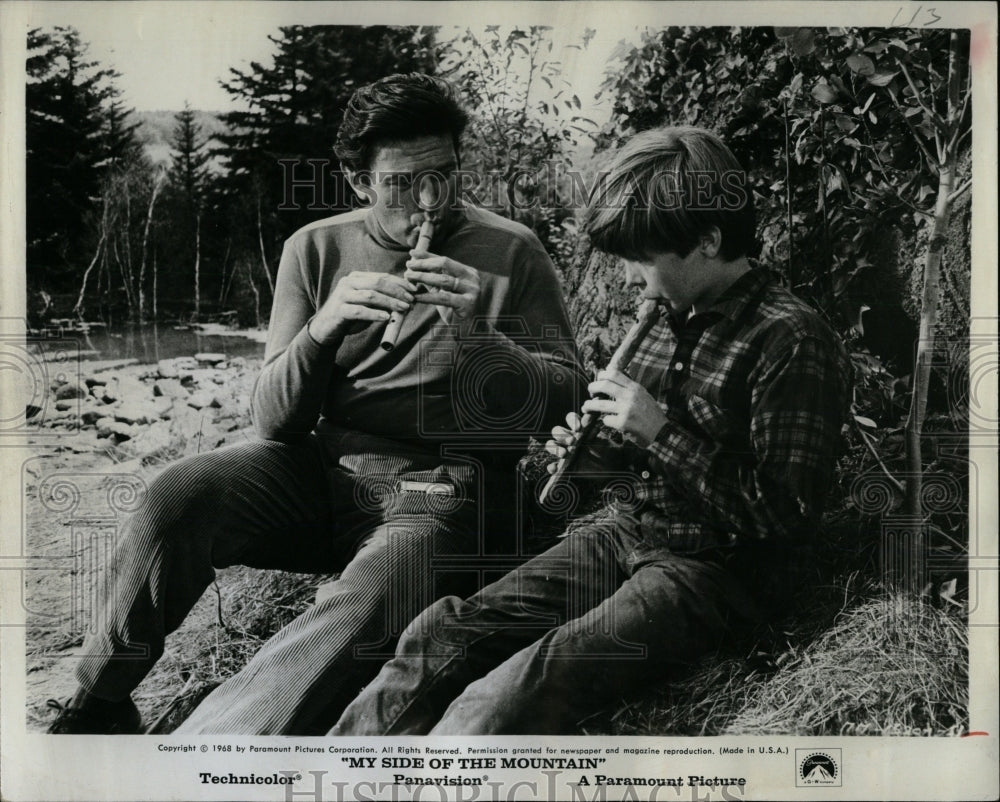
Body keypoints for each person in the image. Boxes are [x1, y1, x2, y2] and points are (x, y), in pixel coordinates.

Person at [46, 73, 584, 735]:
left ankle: (216, 745)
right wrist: (322, 329)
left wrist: (481, 334)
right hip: (320, 470)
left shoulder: (512, 252)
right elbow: (273, 420)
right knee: (178, 492)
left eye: (444, 175)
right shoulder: (316, 248)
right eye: (401, 182)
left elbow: (568, 399)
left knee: (374, 593)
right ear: (359, 183)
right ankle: (98, 700)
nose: (429, 201)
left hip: (447, 485)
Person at [330, 125, 852, 735]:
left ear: (708, 240)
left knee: (510, 693)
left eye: (641, 260)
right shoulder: (664, 315)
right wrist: (589, 458)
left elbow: (786, 516)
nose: (630, 278)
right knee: (440, 632)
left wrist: (659, 433)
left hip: (715, 571)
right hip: (625, 531)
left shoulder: (790, 338)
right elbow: (628, 469)